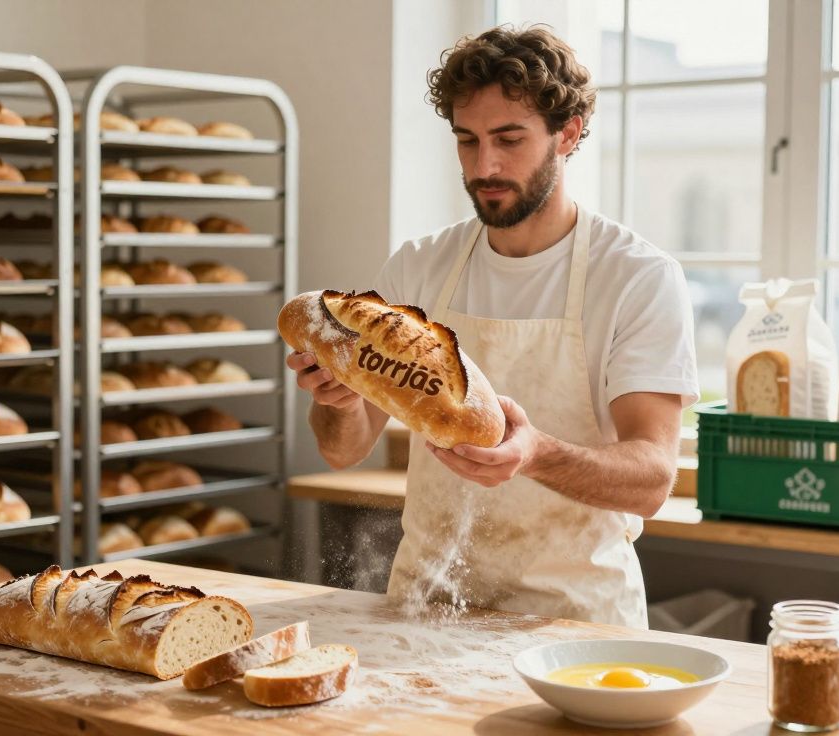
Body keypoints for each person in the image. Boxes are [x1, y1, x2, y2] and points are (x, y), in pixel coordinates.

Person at [287, 26, 699, 627]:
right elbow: (342, 450)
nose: (485, 165)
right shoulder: (420, 266)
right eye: (467, 140)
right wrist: (340, 402)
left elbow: (652, 480)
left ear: (568, 134)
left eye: (509, 139)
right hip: (424, 612)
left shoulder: (636, 277)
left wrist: (534, 454)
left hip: (575, 622)